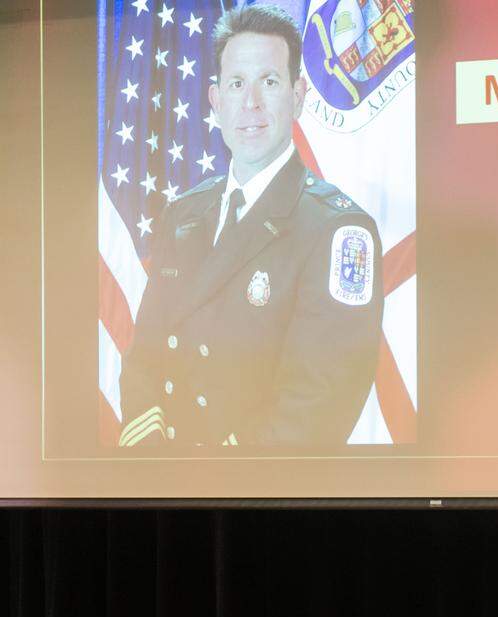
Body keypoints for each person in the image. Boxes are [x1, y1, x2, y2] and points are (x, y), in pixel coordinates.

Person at [117, 5, 383, 448]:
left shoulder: (337, 231)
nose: (251, 103)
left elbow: (316, 406)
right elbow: (144, 357)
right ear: (216, 100)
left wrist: (210, 482)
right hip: (164, 489)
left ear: (298, 96)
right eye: (237, 84)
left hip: (259, 499)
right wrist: (156, 469)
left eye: (270, 82)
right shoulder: (184, 214)